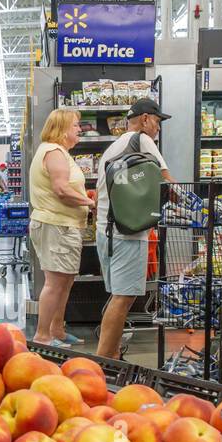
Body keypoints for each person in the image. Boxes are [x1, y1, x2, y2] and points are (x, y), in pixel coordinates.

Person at [95, 97, 174, 359]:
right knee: (124, 298)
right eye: (157, 121)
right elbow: (168, 182)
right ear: (144, 120)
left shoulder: (112, 147)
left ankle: (112, 354)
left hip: (107, 230)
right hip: (128, 232)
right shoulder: (143, 140)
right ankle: (104, 362)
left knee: (118, 296)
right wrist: (197, 204)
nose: (158, 128)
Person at [27, 109, 93, 345]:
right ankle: (43, 336)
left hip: (62, 225)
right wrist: (89, 201)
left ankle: (57, 331)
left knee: (64, 281)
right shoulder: (54, 152)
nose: (79, 129)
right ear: (63, 129)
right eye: (75, 125)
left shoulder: (58, 152)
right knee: (55, 283)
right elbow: (61, 190)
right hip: (56, 226)